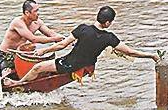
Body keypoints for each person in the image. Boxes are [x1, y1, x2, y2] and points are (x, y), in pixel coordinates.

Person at [13, 5, 159, 86]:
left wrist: (44, 50)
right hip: (86, 66)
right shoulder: (110, 38)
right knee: (46, 68)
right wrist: (151, 55)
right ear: (107, 23)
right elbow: (130, 52)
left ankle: (19, 83)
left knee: (37, 67)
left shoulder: (83, 29)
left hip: (69, 64)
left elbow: (62, 45)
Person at [0, 0, 64, 77]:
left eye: (38, 10)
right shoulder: (17, 22)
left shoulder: (37, 22)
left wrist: (67, 40)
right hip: (5, 56)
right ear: (27, 13)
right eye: (35, 11)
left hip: (21, 56)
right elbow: (33, 39)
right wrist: (55, 39)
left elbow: (51, 34)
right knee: (6, 77)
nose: (38, 14)